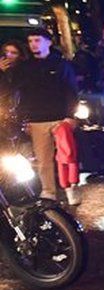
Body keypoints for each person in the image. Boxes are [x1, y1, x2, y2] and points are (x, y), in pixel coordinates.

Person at [11, 28, 79, 203]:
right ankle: (49, 191)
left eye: (37, 40)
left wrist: (70, 115)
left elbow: (71, 90)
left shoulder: (60, 64)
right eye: (31, 41)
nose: (34, 44)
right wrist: (23, 119)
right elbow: (21, 95)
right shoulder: (24, 67)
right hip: (36, 119)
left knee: (67, 156)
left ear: (48, 42)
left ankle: (71, 188)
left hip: (60, 118)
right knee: (43, 160)